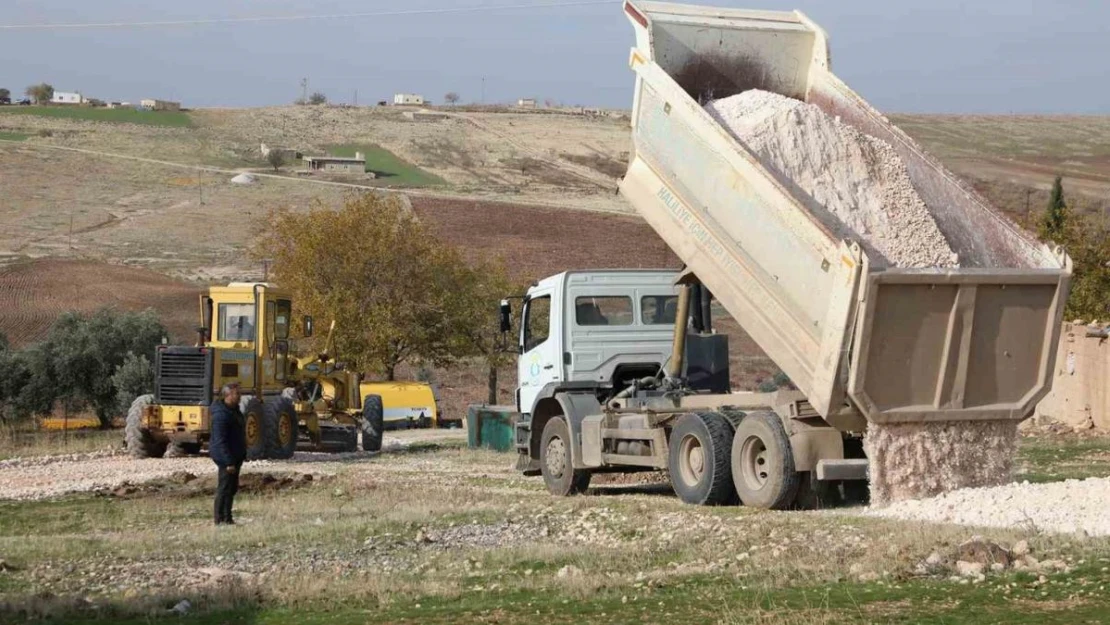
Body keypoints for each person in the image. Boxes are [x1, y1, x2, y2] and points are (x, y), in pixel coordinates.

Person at [210, 383, 246, 525]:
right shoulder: (221, 415)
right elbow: (220, 441)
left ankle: (228, 518)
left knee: (232, 488)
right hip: (226, 458)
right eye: (237, 394)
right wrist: (228, 461)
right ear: (228, 395)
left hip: (235, 456)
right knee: (224, 488)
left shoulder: (235, 411)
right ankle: (219, 520)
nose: (240, 396)